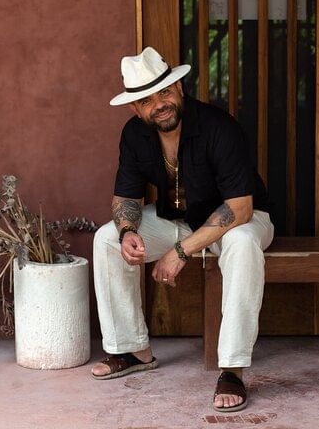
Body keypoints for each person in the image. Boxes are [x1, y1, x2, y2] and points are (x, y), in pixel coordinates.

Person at [91, 46, 274, 412]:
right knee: (107, 238)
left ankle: (232, 368)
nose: (159, 104)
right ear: (135, 108)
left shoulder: (218, 126)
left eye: (164, 92)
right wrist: (127, 231)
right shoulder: (134, 134)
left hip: (239, 220)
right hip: (177, 219)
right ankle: (133, 351)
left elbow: (239, 208)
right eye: (146, 100)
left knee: (241, 243)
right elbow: (125, 197)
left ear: (178, 87)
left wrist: (179, 252)